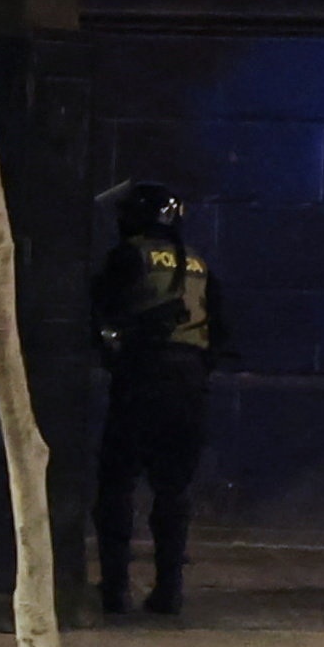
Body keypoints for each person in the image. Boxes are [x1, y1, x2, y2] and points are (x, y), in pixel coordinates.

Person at [89, 182, 223, 618]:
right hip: (189, 384)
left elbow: (103, 310)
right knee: (173, 491)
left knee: (116, 485)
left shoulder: (129, 257)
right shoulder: (199, 263)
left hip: (142, 377)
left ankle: (114, 589)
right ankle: (169, 589)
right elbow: (220, 333)